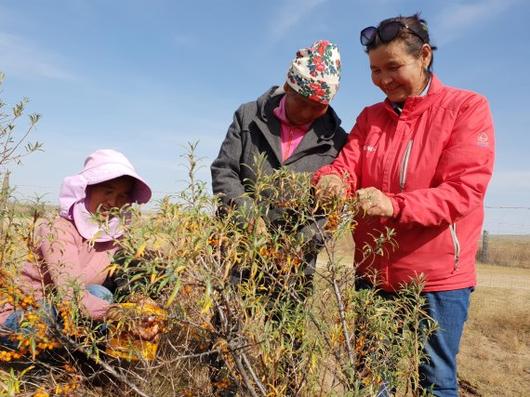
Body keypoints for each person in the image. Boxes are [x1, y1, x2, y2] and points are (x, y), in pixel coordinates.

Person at [313, 14, 495, 397]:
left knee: (436, 382)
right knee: (371, 380)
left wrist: (392, 206)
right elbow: (347, 166)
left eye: (393, 67)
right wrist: (330, 179)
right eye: (375, 70)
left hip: (439, 282)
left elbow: (463, 191)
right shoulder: (370, 118)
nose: (383, 79)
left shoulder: (467, 108)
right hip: (373, 276)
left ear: (424, 56)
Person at [210, 40, 347, 394]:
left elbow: (330, 212)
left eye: (319, 105)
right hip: (238, 247)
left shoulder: (336, 141)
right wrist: (248, 215)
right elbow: (224, 172)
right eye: (303, 101)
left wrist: (298, 246)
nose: (309, 112)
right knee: (228, 327)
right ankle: (223, 386)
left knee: (288, 337)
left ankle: (283, 388)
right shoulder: (248, 115)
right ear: (288, 87)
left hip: (294, 262)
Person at [0, 149, 160, 344]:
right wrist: (122, 315)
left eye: (122, 196)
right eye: (108, 191)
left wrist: (141, 303)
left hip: (67, 317)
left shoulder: (115, 239)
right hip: (25, 315)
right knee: (97, 295)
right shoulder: (57, 230)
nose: (113, 202)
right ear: (87, 189)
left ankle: (84, 360)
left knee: (106, 296)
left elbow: (124, 278)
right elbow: (73, 298)